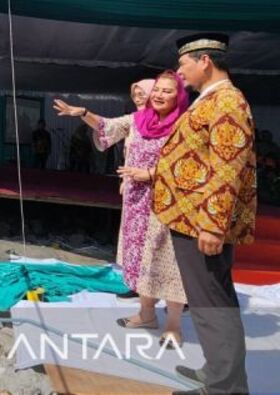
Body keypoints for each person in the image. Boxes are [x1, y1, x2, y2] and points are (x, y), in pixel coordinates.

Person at [153, 34, 256, 394]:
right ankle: (219, 373)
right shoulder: (211, 100)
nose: (180, 73)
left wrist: (212, 226)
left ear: (205, 62)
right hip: (193, 219)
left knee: (212, 303)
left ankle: (225, 386)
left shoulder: (226, 101)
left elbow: (228, 166)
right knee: (208, 300)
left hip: (203, 223)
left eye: (183, 65)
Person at [55, 74, 189, 345]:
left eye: (167, 91)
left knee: (170, 264)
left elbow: (191, 166)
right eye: (157, 91)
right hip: (137, 204)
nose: (158, 96)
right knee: (141, 260)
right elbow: (106, 126)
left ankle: (174, 325)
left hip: (170, 204)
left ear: (179, 96)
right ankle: (147, 314)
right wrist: (82, 112)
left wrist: (150, 173)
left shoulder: (185, 125)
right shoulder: (138, 121)